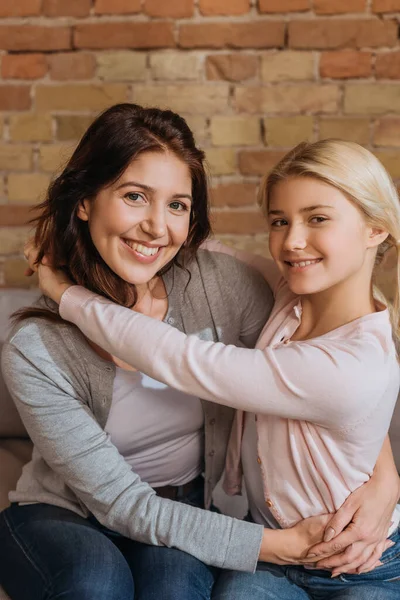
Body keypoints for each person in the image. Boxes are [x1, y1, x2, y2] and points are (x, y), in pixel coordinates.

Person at [0, 105, 359, 600]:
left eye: (177, 205)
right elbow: (121, 505)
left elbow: (324, 377)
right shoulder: (35, 346)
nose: (156, 227)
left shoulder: (220, 287)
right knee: (96, 584)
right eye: (134, 196)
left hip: (186, 508)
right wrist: (278, 547)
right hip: (66, 512)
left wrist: (385, 482)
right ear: (84, 201)